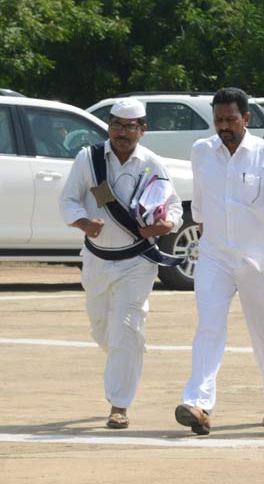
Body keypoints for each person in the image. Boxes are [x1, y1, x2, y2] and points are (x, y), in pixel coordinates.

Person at [175, 87, 264, 435]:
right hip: (215, 256)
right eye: (218, 120)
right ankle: (197, 403)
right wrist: (202, 226)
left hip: (262, 257)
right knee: (209, 326)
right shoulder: (202, 151)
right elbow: (199, 197)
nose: (224, 126)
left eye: (231, 119)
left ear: (246, 118)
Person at [59, 98, 183, 429]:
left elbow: (172, 206)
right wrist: (84, 222)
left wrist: (165, 225)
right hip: (97, 261)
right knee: (102, 328)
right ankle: (125, 355)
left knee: (126, 329)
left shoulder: (151, 163)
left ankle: (119, 405)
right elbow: (68, 198)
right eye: (115, 125)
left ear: (143, 130)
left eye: (130, 127)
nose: (121, 133)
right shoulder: (90, 158)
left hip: (137, 262)